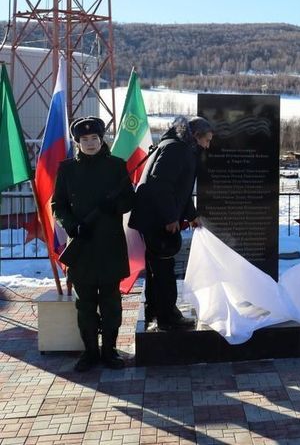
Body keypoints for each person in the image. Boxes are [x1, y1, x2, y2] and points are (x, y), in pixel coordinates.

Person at [52, 116, 135, 372]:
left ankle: (109, 351)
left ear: (102, 140)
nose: (90, 143)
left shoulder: (116, 166)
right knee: (85, 304)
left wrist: (116, 206)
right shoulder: (67, 169)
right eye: (84, 139)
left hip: (109, 246)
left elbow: (130, 200)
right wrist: (72, 226)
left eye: (94, 138)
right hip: (83, 247)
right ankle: (90, 353)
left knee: (111, 304)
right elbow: (59, 205)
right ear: (77, 142)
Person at [129, 115, 213, 330]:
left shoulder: (174, 145)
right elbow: (161, 185)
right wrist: (170, 218)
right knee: (164, 267)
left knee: (157, 265)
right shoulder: (178, 150)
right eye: (207, 140)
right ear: (195, 135)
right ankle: (168, 316)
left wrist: (191, 216)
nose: (208, 145)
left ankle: (155, 309)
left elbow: (179, 190)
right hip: (158, 219)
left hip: (153, 216)